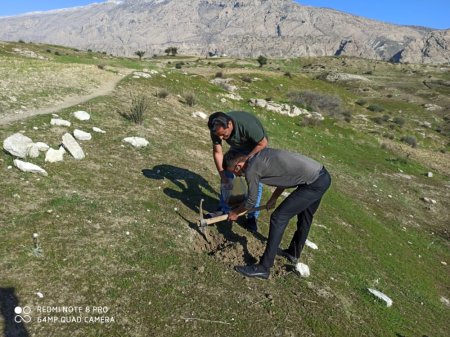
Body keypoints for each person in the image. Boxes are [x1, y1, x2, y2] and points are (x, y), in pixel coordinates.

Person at [223, 148, 331, 279]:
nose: (237, 176)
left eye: (235, 172)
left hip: (313, 183)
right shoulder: (262, 156)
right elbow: (285, 175)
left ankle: (264, 268)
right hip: (322, 176)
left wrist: (235, 213)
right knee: (305, 216)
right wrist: (274, 198)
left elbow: (251, 201)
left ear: (239, 165)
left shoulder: (251, 169)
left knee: (278, 217)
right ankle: (293, 253)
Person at [207, 111, 268, 232]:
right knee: (227, 173)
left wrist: (245, 159)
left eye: (224, 135)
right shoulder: (216, 128)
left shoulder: (247, 125)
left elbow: (263, 143)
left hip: (256, 147)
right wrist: (222, 175)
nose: (221, 138)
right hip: (237, 147)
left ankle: (252, 217)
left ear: (229, 125)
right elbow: (217, 152)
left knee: (255, 181)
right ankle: (224, 209)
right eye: (219, 136)